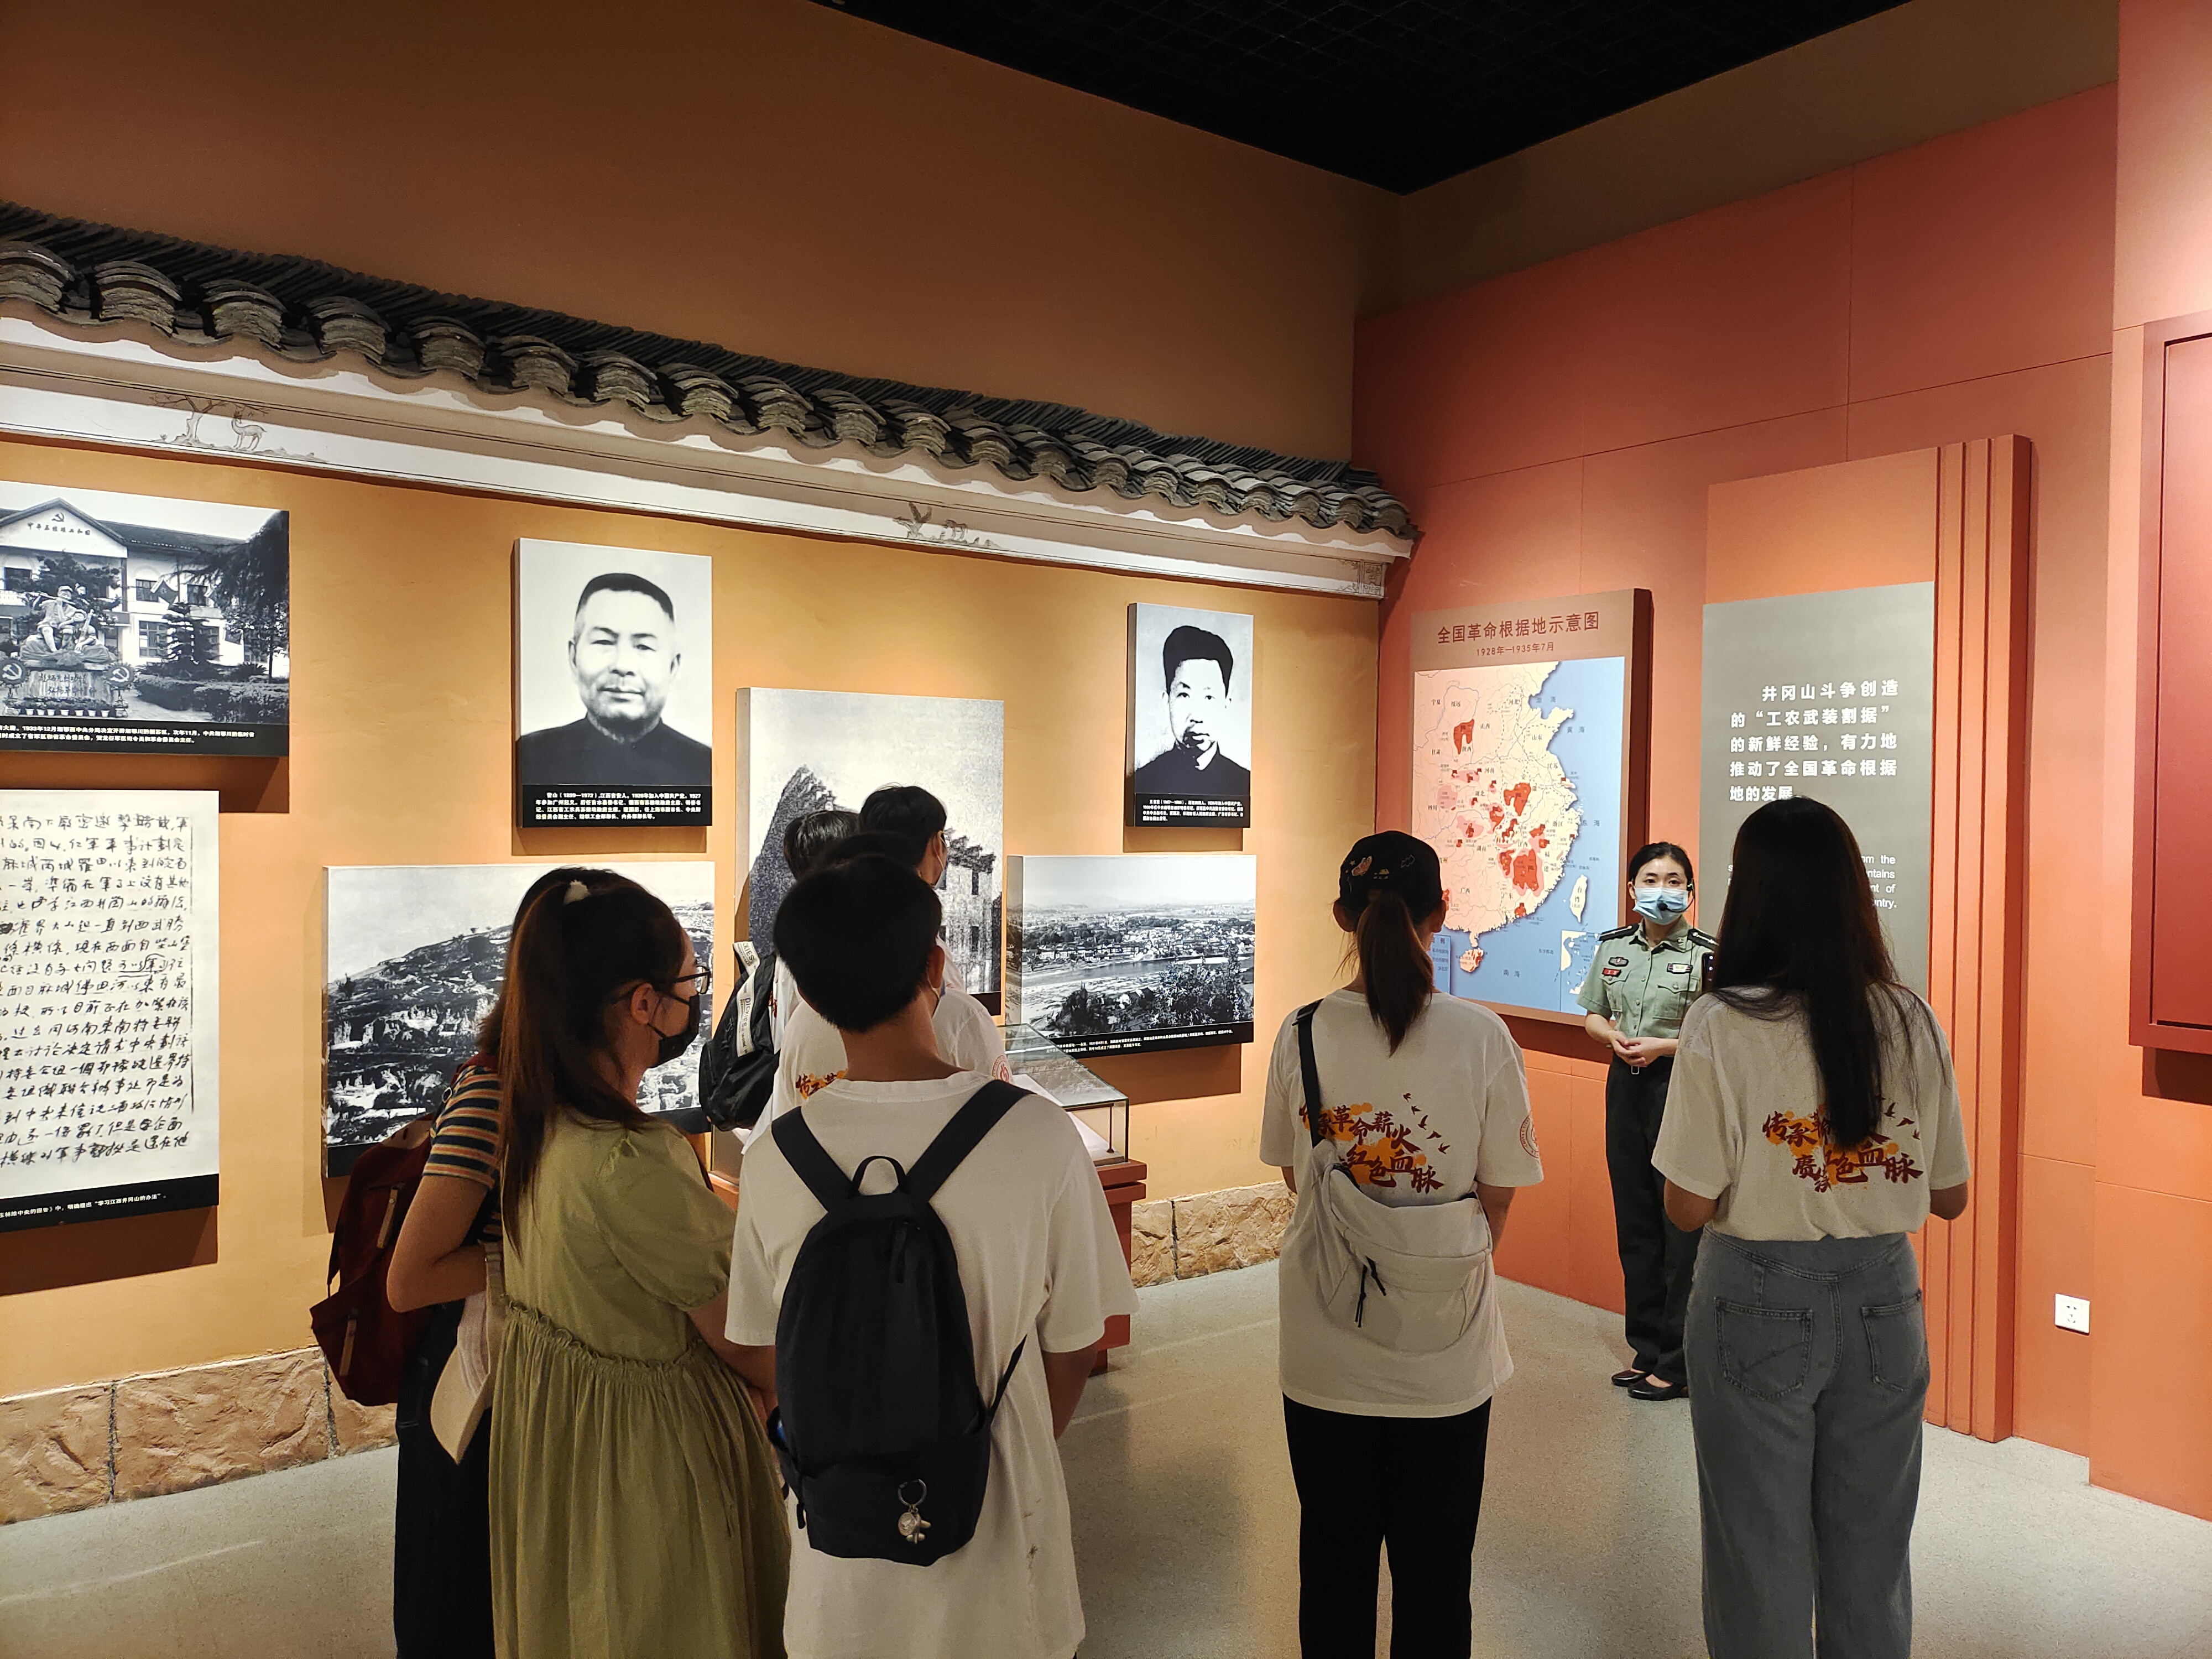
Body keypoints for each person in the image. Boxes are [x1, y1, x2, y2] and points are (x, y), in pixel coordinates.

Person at [726, 854, 1136, 1659]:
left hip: (839, 1564)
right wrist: (993, 1445)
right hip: (1003, 1546)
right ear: (936, 968)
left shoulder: (776, 1157)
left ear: (808, 999)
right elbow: (1076, 1342)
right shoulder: (1034, 1132)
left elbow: (760, 1347)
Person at [1654, 797, 1970, 1659]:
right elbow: (1950, 1196)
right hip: (1884, 1302)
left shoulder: (1722, 1022)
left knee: (1758, 1558)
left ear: (1749, 899)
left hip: (1753, 1298)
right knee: (1873, 1556)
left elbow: (1686, 1206)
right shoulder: (1910, 1017)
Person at [486, 874, 788, 1658]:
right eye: (691, 982)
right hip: (648, 1468)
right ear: (644, 1004)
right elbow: (747, 1336)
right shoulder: (631, 1161)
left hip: (566, 1453)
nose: (697, 998)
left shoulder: (537, 1125)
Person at [1261, 830, 1545, 1659]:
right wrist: (1431, 1267)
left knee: (1333, 1571)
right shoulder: (1483, 1037)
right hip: (1446, 1357)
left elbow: (1296, 1178)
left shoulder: (1300, 1033)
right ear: (1441, 914)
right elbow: (1499, 1194)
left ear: (1342, 916)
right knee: (1436, 1581)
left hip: (1323, 1350)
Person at [385, 865, 612, 1659]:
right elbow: (411, 1277)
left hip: (530, 1372)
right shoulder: (494, 1092)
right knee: (459, 1597)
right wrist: (551, 1255)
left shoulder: (566, 1085)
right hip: (473, 1376)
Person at [1576, 841, 1715, 1403]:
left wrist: (1662, 1047)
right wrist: (1610, 1037)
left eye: (1674, 880)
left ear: (1690, 891)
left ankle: (1678, 1361)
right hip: (1624, 1087)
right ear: (1632, 888)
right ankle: (1646, 1348)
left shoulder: (1709, 955)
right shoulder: (1613, 947)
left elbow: (1719, 1035)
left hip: (1678, 1089)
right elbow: (1593, 1014)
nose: (1663, 890)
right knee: (1634, 1219)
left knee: (1678, 1225)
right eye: (1651, 879)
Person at [758, 827, 1009, 1135]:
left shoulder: (801, 1025)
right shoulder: (964, 1016)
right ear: (936, 965)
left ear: (806, 994)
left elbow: (787, 1116)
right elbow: (1004, 1121)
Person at [514, 571, 711, 790]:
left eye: (644, 646)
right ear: (573, 658)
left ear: (673, 667)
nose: (622, 665)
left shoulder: (704, 766)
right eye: (604, 642)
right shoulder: (531, 756)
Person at [1131, 623, 1251, 802]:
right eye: (1184, 695)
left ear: (1226, 705)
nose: (1197, 716)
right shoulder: (1142, 782)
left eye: (1209, 697)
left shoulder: (1245, 783)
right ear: (1167, 701)